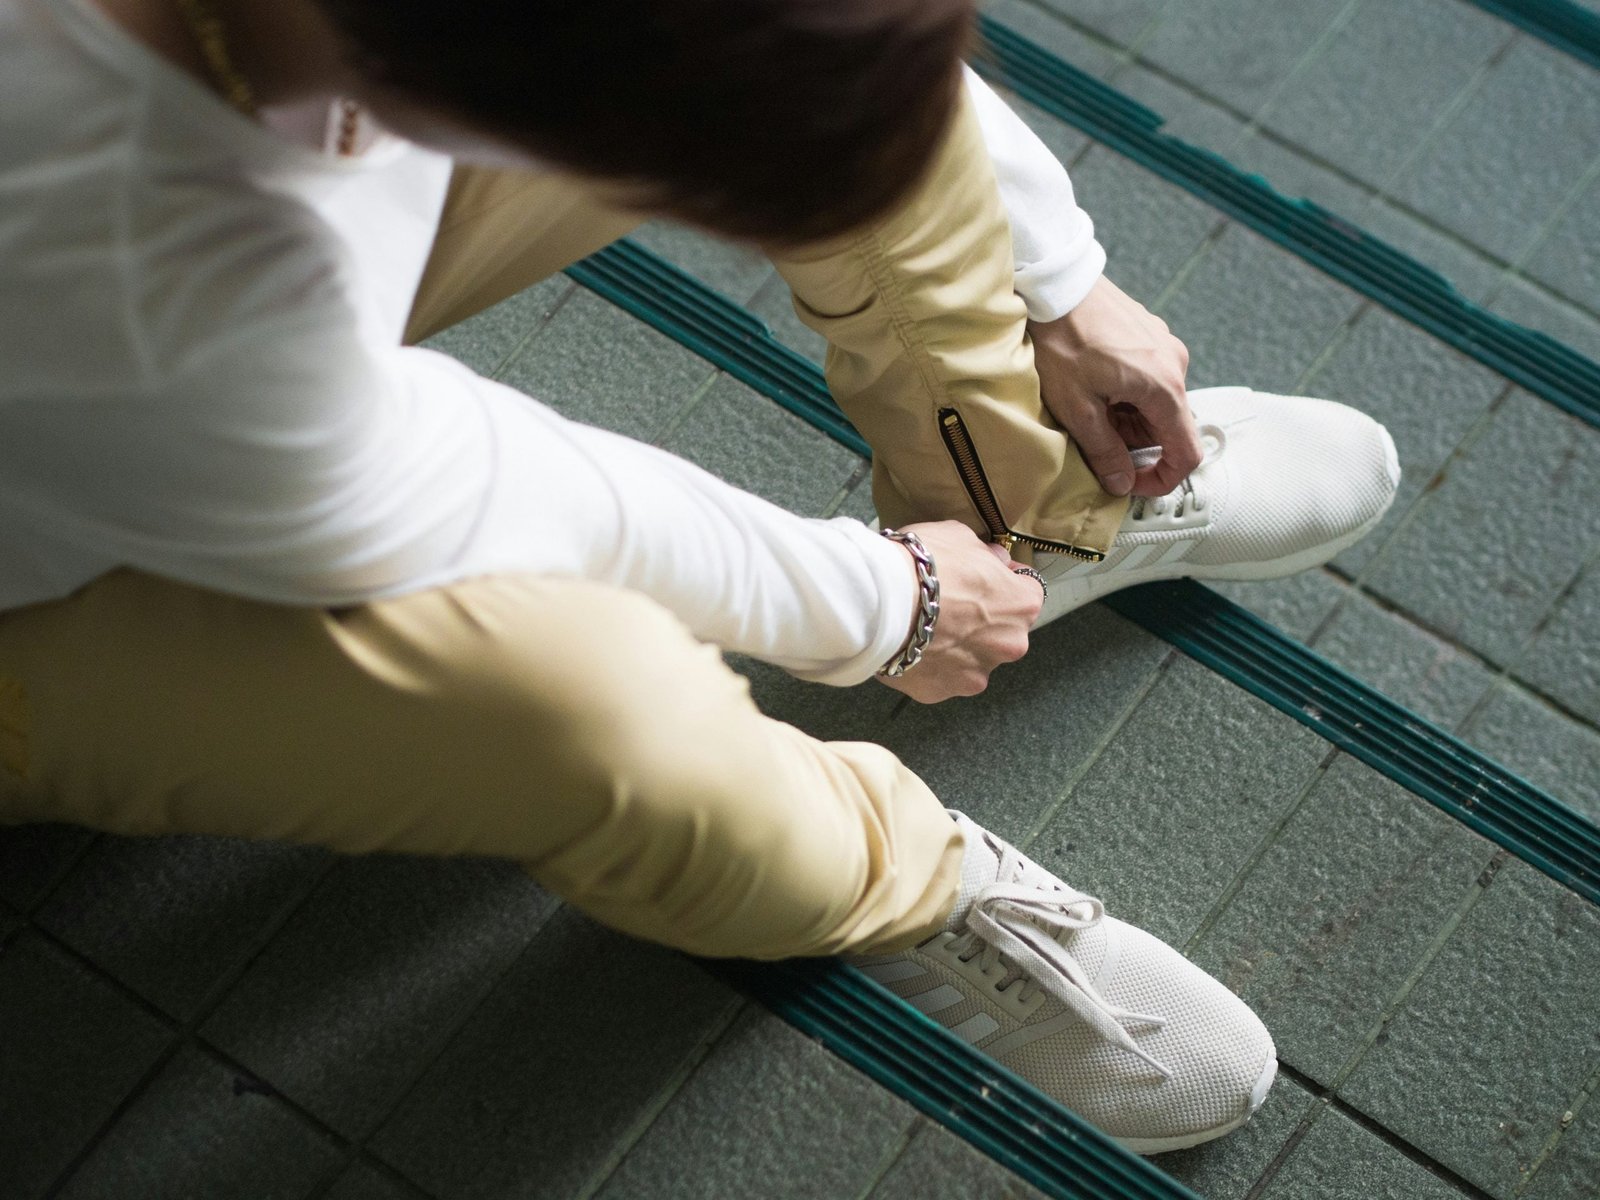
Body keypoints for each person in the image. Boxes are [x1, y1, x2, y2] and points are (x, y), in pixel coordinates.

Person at [0, 0, 1398, 1155]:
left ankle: (1041, 516)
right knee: (584, 707)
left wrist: (1059, 277)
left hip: (242, 255)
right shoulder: (148, 270)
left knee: (819, 95)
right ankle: (884, 879)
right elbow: (512, 495)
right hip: (45, 576)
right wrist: (884, 607)